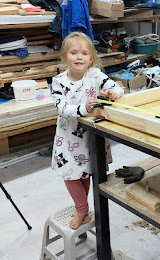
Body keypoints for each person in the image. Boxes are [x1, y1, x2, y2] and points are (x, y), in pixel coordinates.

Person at [51, 32, 124, 229]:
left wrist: (112, 93)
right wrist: (85, 108)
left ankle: (82, 210)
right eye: (74, 52)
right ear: (64, 56)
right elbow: (63, 109)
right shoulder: (58, 82)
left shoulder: (95, 75)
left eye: (84, 53)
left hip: (91, 136)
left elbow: (119, 87)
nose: (79, 57)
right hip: (68, 138)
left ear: (91, 58)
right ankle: (82, 209)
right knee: (70, 174)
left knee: (85, 173)